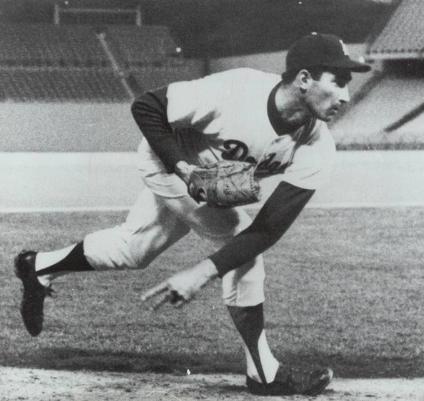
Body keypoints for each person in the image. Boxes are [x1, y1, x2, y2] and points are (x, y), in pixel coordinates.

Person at [14, 32, 370, 396]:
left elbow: (269, 228)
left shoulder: (318, 146)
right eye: (338, 80)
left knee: (134, 249)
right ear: (304, 79)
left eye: (348, 83)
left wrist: (201, 271)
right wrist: (185, 170)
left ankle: (38, 265)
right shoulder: (236, 90)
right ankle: (264, 374)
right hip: (166, 164)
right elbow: (147, 106)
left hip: (202, 181)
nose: (345, 94)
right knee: (242, 251)